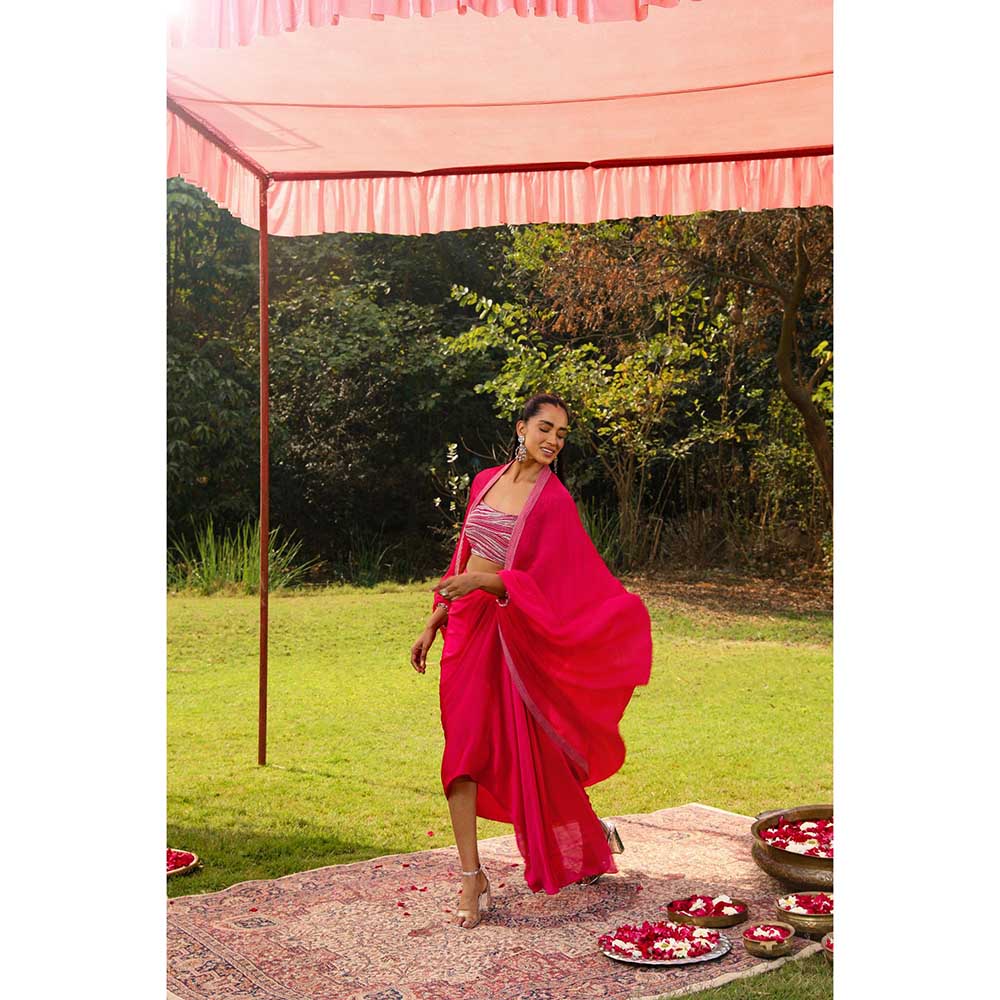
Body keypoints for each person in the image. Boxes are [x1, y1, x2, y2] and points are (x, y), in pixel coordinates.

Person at [409, 393, 652, 929]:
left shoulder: (554, 501)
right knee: (461, 752)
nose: (553, 441)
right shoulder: (485, 481)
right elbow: (462, 557)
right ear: (521, 427)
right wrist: (436, 617)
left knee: (528, 751)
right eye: (545, 428)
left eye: (562, 434)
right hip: (466, 633)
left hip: (512, 636)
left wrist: (488, 582)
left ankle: (581, 837)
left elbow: (554, 581)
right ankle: (473, 874)